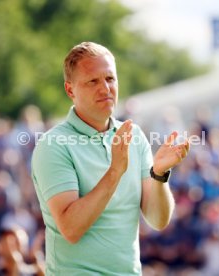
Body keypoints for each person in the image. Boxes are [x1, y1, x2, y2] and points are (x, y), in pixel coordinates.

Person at [31, 41, 189, 275]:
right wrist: (115, 171)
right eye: (92, 81)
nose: (105, 88)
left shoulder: (133, 136)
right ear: (70, 90)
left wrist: (159, 174)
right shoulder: (53, 145)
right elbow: (71, 229)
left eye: (110, 79)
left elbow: (158, 220)